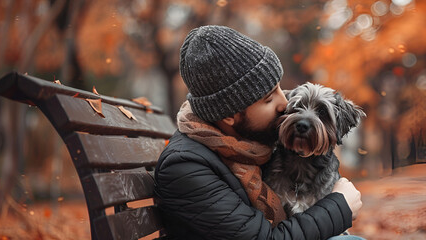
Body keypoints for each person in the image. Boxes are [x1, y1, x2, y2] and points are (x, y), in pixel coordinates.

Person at [154, 25, 363, 239]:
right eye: (269, 98)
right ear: (229, 115)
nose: (285, 103)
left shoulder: (248, 148)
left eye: (280, 88)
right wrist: (339, 208)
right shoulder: (186, 168)